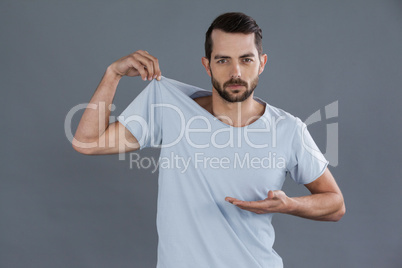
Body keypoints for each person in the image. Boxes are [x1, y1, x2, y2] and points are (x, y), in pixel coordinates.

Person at [73, 12, 345, 268]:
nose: (235, 72)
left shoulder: (288, 129)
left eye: (246, 59)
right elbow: (87, 142)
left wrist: (290, 205)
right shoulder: (170, 108)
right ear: (207, 65)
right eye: (223, 60)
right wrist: (114, 74)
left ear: (261, 63)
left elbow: (335, 204)